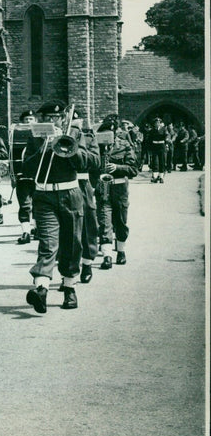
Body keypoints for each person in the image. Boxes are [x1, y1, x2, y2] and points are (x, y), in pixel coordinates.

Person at [21, 100, 100, 312]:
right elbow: (27, 168)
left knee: (73, 243)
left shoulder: (75, 133)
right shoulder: (35, 137)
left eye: (54, 118)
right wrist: (44, 149)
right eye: (45, 118)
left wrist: (67, 147)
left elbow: (90, 161)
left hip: (70, 193)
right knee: (48, 243)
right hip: (44, 195)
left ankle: (69, 288)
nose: (50, 121)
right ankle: (41, 290)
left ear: (63, 118)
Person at [96, 118, 138, 269]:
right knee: (104, 222)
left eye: (111, 133)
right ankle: (107, 255)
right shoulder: (97, 147)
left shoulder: (125, 146)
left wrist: (118, 167)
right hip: (102, 189)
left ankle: (121, 251)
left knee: (120, 221)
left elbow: (134, 170)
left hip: (119, 189)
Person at [74, 112, 99, 284]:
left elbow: (96, 161)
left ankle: (87, 263)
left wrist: (74, 149)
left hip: (82, 184)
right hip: (62, 186)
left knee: (87, 223)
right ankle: (68, 271)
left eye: (75, 119)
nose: (72, 122)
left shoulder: (89, 138)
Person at [15, 109, 38, 244]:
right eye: (26, 120)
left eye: (31, 120)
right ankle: (25, 232)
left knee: (38, 204)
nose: (28, 122)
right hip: (22, 175)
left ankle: (36, 228)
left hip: (38, 176)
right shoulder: (17, 135)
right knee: (24, 205)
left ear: (36, 121)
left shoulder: (42, 134)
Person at [149, 117, 167, 183]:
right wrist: (150, 148)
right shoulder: (152, 130)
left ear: (160, 123)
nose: (157, 124)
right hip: (154, 146)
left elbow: (166, 137)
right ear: (154, 124)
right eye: (156, 123)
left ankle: (161, 177)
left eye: (158, 122)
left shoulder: (164, 129)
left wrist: (166, 144)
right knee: (155, 162)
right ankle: (155, 176)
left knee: (162, 161)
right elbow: (150, 139)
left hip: (161, 146)